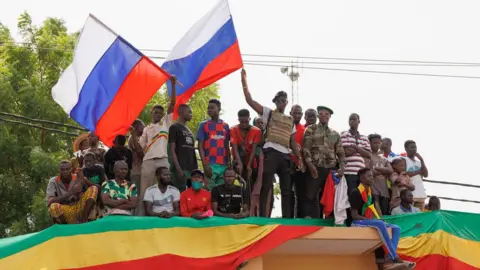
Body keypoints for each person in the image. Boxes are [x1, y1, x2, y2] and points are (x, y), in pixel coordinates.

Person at [241, 69, 303, 218]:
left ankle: (287, 218)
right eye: (279, 100)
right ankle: (263, 216)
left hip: (286, 156)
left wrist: (299, 158)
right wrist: (244, 82)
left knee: (287, 189)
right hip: (271, 153)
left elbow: (292, 141)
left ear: (287, 102)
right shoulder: (269, 113)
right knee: (266, 186)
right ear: (275, 102)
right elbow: (250, 101)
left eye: (284, 101)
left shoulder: (290, 120)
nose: (282, 103)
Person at [349, 168, 415, 270]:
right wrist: (373, 221)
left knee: (396, 228)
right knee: (380, 224)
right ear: (362, 179)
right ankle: (394, 258)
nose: (372, 178)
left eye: (372, 175)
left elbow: (374, 211)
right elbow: (354, 215)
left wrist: (378, 220)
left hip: (367, 221)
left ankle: (389, 259)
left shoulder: (370, 193)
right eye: (369, 176)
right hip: (356, 222)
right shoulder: (355, 192)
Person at [138, 76, 176, 216]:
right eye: (156, 112)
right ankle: (141, 218)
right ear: (151, 113)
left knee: (165, 188)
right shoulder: (146, 129)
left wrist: (172, 85)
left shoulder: (165, 123)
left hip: (162, 159)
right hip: (148, 161)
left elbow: (172, 104)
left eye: (160, 112)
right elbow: (140, 146)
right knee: (145, 190)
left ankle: (167, 213)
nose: (158, 114)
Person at [302, 106, 345, 218]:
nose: (324, 116)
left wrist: (342, 167)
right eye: (321, 113)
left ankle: (327, 221)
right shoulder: (311, 129)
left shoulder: (335, 134)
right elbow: (305, 149)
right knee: (310, 196)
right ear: (318, 116)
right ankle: (311, 220)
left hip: (330, 169)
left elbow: (340, 152)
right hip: (315, 166)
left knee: (328, 196)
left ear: (330, 117)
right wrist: (310, 165)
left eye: (327, 114)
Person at [197, 99, 231, 190]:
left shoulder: (225, 126)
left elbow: (227, 146)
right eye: (208, 108)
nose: (209, 110)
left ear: (219, 109)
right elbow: (200, 146)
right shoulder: (203, 125)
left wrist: (229, 163)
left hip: (223, 165)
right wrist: (205, 165)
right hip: (210, 165)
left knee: (222, 192)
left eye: (212, 108)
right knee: (210, 192)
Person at [230, 109, 262, 195]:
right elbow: (235, 148)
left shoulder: (256, 131)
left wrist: (249, 165)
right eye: (241, 122)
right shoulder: (233, 129)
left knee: (251, 178)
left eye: (246, 121)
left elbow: (254, 149)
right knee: (237, 175)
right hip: (238, 157)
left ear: (250, 119)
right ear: (238, 120)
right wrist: (240, 163)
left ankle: (251, 199)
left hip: (251, 158)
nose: (244, 124)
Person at [169, 104, 198, 192]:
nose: (191, 114)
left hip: (191, 169)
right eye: (189, 112)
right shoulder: (174, 127)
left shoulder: (189, 130)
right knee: (179, 194)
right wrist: (178, 168)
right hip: (180, 169)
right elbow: (172, 150)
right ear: (181, 112)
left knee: (192, 194)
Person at [341, 113, 372, 194]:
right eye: (350, 119)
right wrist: (361, 149)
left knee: (361, 198)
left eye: (354, 119)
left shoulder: (364, 138)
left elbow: (368, 155)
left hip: (362, 174)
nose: (352, 121)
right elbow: (345, 152)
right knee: (350, 197)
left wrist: (355, 147)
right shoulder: (344, 135)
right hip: (348, 172)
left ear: (359, 121)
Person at [368, 134, 393, 216]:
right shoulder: (368, 156)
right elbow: (370, 172)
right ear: (369, 143)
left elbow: (390, 170)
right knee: (376, 208)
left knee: (385, 210)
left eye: (378, 143)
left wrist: (377, 169)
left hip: (384, 189)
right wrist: (383, 171)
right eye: (374, 143)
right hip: (373, 187)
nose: (377, 145)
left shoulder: (383, 158)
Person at [404, 140, 428, 211]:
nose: (414, 149)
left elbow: (426, 174)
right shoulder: (404, 160)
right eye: (412, 147)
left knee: (419, 217)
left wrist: (422, 160)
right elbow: (406, 174)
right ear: (406, 149)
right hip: (410, 195)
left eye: (415, 147)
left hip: (421, 194)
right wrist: (419, 171)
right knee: (409, 215)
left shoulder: (419, 162)